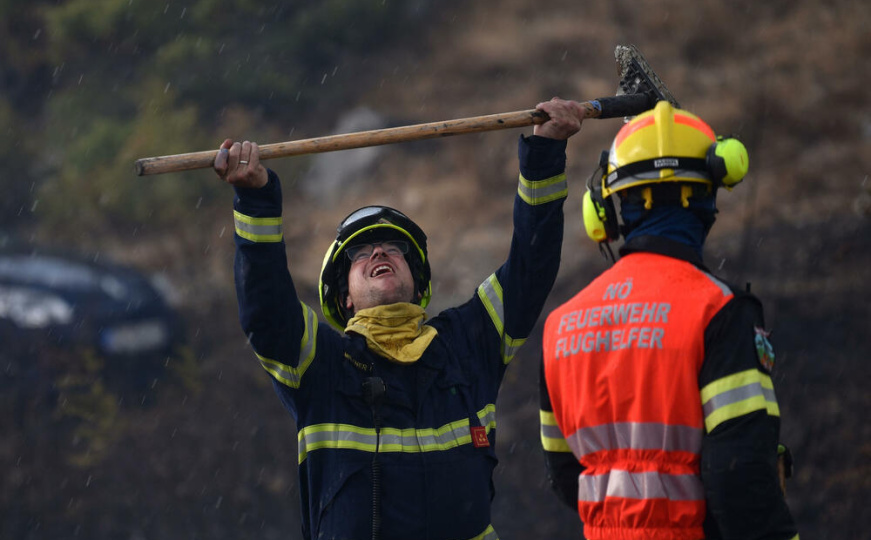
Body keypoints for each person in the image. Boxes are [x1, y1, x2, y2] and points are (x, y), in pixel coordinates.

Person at [215, 98, 586, 540]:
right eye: (360, 252)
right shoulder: (321, 365)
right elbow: (266, 309)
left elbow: (532, 264)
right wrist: (256, 199)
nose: (379, 251)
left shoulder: (468, 344)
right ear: (344, 299)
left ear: (418, 279)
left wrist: (545, 154)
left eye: (395, 248)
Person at [539, 101, 800, 540]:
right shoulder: (720, 311)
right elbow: (740, 479)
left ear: (608, 207)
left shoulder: (560, 326)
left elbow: (566, 476)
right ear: (709, 194)